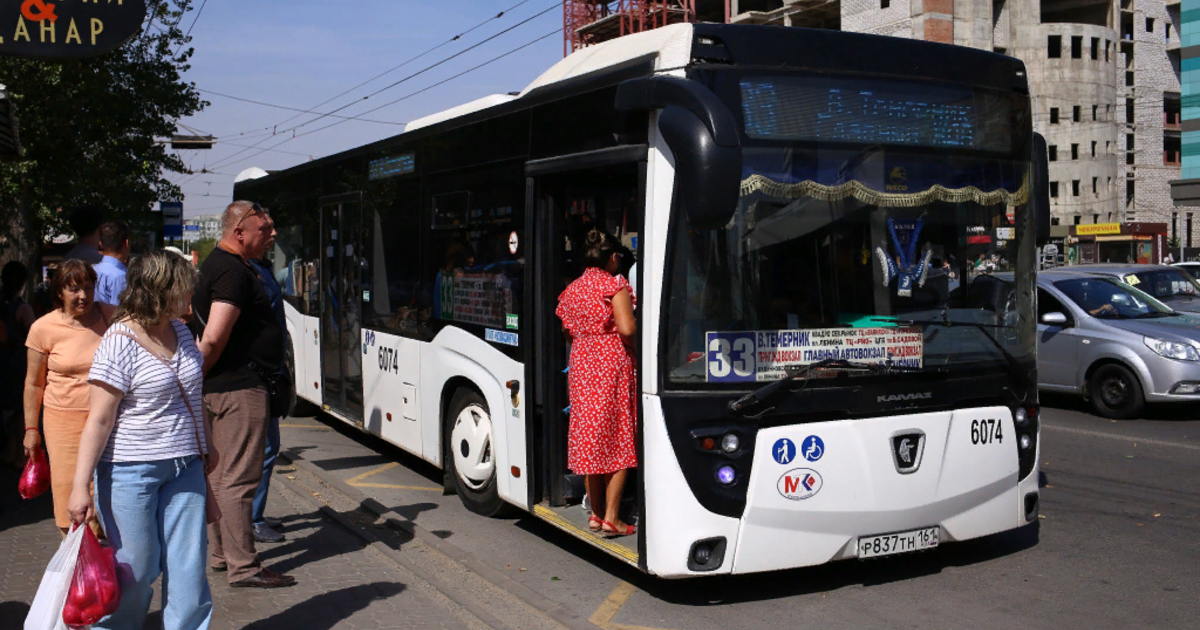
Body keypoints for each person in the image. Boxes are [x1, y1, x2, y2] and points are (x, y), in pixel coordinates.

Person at [67, 249, 213, 630]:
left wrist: (206, 444)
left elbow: (194, 394)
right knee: (137, 568)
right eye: (184, 289)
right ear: (160, 291)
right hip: (129, 472)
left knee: (189, 567)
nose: (191, 297)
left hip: (185, 466)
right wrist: (80, 487)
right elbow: (99, 420)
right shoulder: (119, 341)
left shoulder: (182, 331)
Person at [192, 201, 294, 588]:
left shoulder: (221, 265)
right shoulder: (232, 272)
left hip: (225, 386)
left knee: (220, 476)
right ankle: (244, 566)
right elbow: (213, 337)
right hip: (238, 389)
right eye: (264, 229)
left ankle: (222, 555)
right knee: (238, 480)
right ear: (239, 232)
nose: (272, 234)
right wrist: (194, 378)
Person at [556, 228, 638, 537]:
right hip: (611, 364)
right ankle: (613, 519)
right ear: (613, 257)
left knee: (591, 436)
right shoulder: (614, 284)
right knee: (618, 438)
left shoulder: (573, 289)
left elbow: (566, 330)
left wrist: (587, 341)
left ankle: (596, 513)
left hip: (582, 365)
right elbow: (627, 329)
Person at [23, 260, 114, 536]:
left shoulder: (112, 317)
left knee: (106, 492)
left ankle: (106, 553)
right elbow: (33, 384)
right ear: (59, 292)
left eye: (88, 288)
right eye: (74, 289)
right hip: (63, 421)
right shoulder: (43, 328)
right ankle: (75, 553)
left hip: (110, 418)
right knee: (68, 491)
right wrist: (31, 430)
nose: (83, 296)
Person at [248, 213, 286, 544]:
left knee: (268, 447)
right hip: (256, 377)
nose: (273, 234)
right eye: (266, 229)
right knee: (264, 448)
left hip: (268, 374)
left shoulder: (261, 267)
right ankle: (251, 518)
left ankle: (254, 514)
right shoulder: (246, 272)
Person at [1, 262, 37, 466]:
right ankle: (20, 456)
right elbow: (35, 334)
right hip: (18, 362)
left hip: (3, 360)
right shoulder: (22, 308)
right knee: (21, 410)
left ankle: (9, 452)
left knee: (8, 409)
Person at [94, 221, 131, 306]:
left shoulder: (91, 270)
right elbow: (119, 311)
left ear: (100, 244)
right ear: (126, 243)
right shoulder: (122, 276)